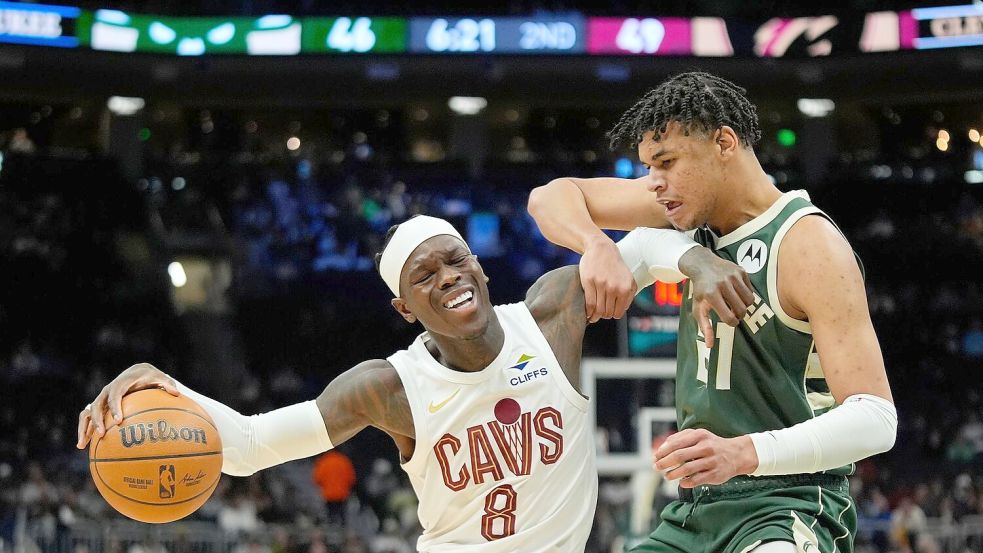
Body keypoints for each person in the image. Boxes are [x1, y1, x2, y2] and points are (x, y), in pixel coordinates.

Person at [77, 215, 745, 551]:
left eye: (455, 260)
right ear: (404, 307)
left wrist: (697, 261)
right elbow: (250, 444)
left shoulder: (552, 314)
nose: (447, 276)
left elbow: (640, 246)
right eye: (424, 276)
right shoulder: (387, 386)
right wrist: (167, 384)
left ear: (479, 267)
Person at [527, 71, 898, 553]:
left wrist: (742, 453)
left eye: (666, 163)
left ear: (724, 142)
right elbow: (548, 198)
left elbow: (876, 419)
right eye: (647, 168)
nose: (654, 186)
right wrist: (595, 243)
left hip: (789, 504)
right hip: (694, 511)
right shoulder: (682, 215)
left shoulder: (808, 244)